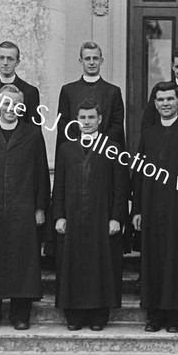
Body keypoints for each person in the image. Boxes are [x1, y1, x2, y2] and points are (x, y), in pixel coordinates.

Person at [0, 84, 50, 331]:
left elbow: (42, 174)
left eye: (17, 105)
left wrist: (40, 207)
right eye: (6, 104)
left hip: (22, 207)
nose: (11, 109)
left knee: (22, 260)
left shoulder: (32, 135)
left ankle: (20, 314)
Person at [132, 81, 178, 333]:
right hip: (152, 208)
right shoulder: (149, 134)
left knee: (177, 261)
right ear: (155, 104)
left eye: (170, 99)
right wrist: (138, 210)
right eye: (161, 100)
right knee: (152, 261)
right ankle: (154, 315)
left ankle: (174, 316)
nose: (165, 104)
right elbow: (140, 175)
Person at [52, 101, 129, 331]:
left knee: (100, 266)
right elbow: (59, 186)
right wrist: (59, 216)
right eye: (82, 118)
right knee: (72, 266)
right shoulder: (66, 149)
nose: (86, 122)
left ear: (100, 119)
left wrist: (117, 217)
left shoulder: (113, 148)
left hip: (101, 217)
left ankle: (98, 316)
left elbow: (120, 187)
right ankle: (74, 315)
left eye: (91, 118)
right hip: (73, 218)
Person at [55, 41, 125, 156]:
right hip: (75, 153)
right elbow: (63, 123)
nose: (92, 62)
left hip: (104, 152)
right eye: (87, 59)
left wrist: (100, 146)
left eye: (95, 58)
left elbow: (116, 125)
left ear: (101, 61)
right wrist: (76, 146)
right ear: (81, 61)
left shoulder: (113, 91)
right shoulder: (68, 90)